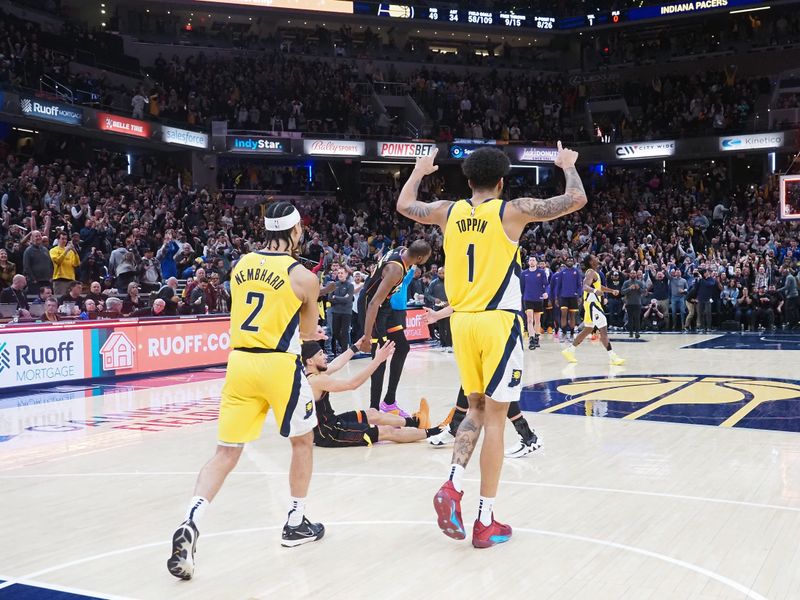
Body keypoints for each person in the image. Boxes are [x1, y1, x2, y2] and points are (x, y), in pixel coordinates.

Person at [396, 142, 586, 548]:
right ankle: (485, 521)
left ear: (468, 181)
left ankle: (451, 484)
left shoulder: (448, 211)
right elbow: (576, 199)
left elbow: (405, 204)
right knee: (496, 419)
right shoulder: (510, 210)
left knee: (475, 408)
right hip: (497, 323)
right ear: (501, 182)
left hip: (461, 324)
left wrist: (419, 171)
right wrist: (567, 166)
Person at [167, 202, 325, 581]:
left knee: (225, 453)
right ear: (296, 231)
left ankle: (191, 519)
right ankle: (295, 521)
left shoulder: (239, 265)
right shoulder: (304, 276)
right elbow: (306, 335)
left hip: (239, 363)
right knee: (302, 443)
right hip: (278, 365)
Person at [424, 305, 541, 458]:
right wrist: (438, 315)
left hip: (500, 328)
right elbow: (464, 300)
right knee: (471, 380)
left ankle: (528, 436)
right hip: (476, 327)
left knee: (497, 387)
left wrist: (439, 315)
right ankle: (455, 427)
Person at [304, 339, 445, 447]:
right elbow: (352, 384)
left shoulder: (312, 374)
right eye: (321, 354)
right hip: (329, 433)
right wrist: (378, 360)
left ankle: (416, 422)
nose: (325, 356)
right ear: (310, 360)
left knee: (372, 413)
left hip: (331, 422)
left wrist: (356, 346)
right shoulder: (317, 380)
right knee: (387, 431)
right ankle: (436, 432)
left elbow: (336, 364)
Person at [356, 241, 432, 416]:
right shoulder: (396, 270)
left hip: (385, 306)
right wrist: (367, 336)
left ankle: (389, 402)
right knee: (380, 357)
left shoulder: (401, 251)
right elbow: (374, 302)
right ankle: (374, 410)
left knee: (403, 347)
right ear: (419, 258)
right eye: (426, 258)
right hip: (372, 306)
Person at [561, 254, 625, 365]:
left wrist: (611, 291)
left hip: (591, 304)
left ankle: (569, 351)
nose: (597, 258)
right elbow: (585, 287)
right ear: (591, 261)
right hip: (592, 304)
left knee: (588, 329)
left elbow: (598, 287)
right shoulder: (590, 272)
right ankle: (612, 357)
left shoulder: (595, 273)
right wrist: (595, 292)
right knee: (603, 329)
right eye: (594, 257)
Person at [521, 255, 548, 349]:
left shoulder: (541, 272)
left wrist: (546, 293)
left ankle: (536, 338)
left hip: (538, 299)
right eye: (530, 260)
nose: (532, 261)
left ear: (536, 262)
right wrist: (523, 296)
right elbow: (522, 287)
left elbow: (546, 284)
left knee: (537, 320)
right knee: (529, 319)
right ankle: (531, 339)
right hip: (528, 299)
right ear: (528, 262)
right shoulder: (524, 273)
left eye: (533, 260)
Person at [329, 268, 354, 355]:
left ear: (346, 274)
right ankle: (343, 346)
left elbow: (348, 299)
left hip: (346, 312)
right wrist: (342, 298)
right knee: (335, 332)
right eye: (338, 273)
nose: (340, 274)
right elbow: (329, 299)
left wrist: (335, 297)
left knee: (344, 332)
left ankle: (344, 352)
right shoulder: (334, 285)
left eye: (342, 273)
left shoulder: (350, 285)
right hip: (335, 311)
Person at [425, 267, 451, 351]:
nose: (442, 275)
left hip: (448, 307)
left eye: (443, 273)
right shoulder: (433, 283)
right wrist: (434, 299)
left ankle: (450, 345)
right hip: (438, 307)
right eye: (440, 273)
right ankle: (443, 344)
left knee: (448, 326)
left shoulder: (450, 282)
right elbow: (427, 295)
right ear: (437, 273)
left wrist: (450, 301)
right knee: (441, 327)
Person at [558, 256, 582, 342]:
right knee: (564, 314)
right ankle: (564, 333)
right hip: (563, 297)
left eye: (571, 260)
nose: (570, 261)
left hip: (573, 297)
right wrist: (557, 298)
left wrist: (579, 296)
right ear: (565, 262)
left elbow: (579, 285)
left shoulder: (577, 272)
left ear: (573, 262)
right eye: (568, 260)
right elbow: (559, 286)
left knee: (572, 316)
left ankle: (572, 334)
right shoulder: (562, 273)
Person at [50, 231, 81, 297]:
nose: (64, 241)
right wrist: (66, 251)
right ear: (58, 239)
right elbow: (58, 261)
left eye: (66, 239)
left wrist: (75, 252)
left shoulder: (71, 251)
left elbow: (76, 264)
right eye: (62, 239)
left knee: (71, 299)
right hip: (60, 279)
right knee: (60, 299)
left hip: (71, 279)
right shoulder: (53, 250)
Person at [621, 269, 645, 338]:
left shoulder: (639, 282)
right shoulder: (626, 283)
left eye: (634, 273)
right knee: (630, 319)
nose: (633, 274)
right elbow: (622, 292)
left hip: (637, 303)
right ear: (629, 274)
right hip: (629, 303)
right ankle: (631, 332)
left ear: (636, 274)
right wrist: (629, 288)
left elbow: (644, 292)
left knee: (637, 318)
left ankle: (637, 332)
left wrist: (638, 288)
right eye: (631, 273)